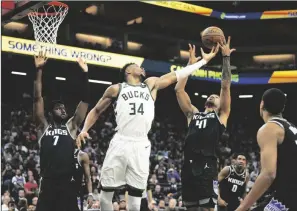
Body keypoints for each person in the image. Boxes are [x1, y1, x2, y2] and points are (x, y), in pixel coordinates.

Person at [76, 44, 219, 211]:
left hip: (141, 144)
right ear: (128, 72)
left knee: (136, 200)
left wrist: (200, 62)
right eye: (137, 66)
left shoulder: (150, 84)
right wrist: (85, 129)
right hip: (121, 140)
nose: (141, 68)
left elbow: (175, 75)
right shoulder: (116, 88)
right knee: (105, 194)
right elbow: (96, 110)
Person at [175, 37, 235, 211]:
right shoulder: (193, 114)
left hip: (208, 165)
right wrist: (190, 66)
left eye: (215, 97)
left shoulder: (221, 115)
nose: (212, 96)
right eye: (210, 96)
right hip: (188, 164)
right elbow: (179, 90)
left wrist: (225, 58)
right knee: (190, 207)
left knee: (208, 208)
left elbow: (225, 86)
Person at [33, 51, 90, 211]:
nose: (63, 110)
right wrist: (38, 71)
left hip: (67, 184)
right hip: (48, 183)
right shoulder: (43, 127)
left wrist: (85, 73)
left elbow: (84, 102)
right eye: (59, 108)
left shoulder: (71, 127)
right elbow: (37, 99)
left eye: (64, 108)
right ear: (50, 112)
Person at [236, 88, 297, 211]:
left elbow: (268, 174)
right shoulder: (291, 128)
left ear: (262, 104)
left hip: (288, 197)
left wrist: (242, 207)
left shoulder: (269, 128)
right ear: (282, 108)